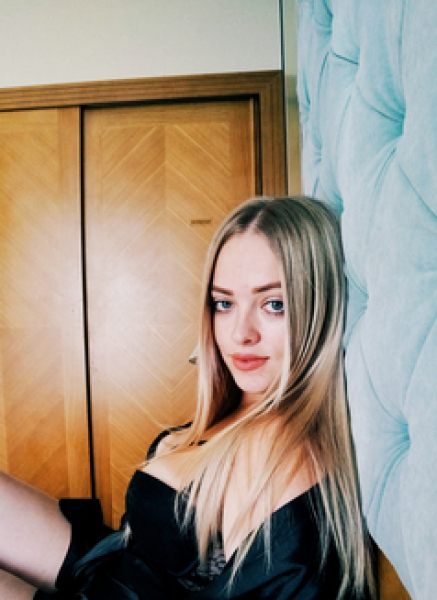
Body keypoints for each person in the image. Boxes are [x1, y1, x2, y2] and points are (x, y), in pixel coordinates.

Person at [0, 196, 375, 599]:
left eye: (274, 304)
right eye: (224, 303)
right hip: (110, 561)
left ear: (318, 308)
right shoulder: (245, 408)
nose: (239, 334)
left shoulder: (285, 454)